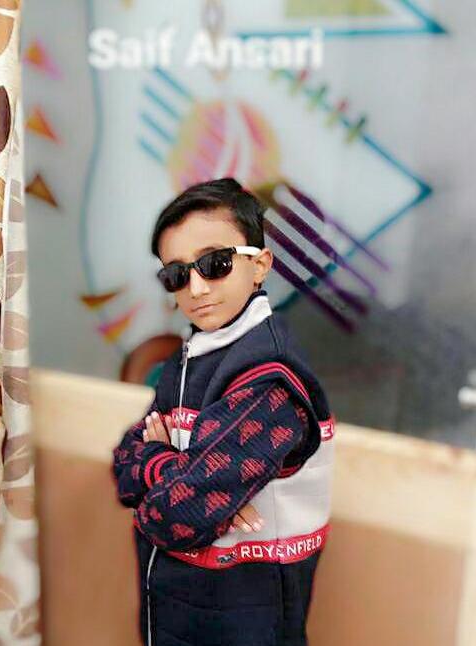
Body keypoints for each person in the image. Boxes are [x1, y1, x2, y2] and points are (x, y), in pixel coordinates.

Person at [111, 177, 335, 646]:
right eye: (176, 274)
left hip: (240, 619)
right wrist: (176, 471)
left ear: (260, 266)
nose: (195, 288)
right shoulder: (195, 353)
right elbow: (124, 464)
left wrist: (183, 484)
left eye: (215, 263)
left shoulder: (269, 377)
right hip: (178, 608)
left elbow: (174, 515)